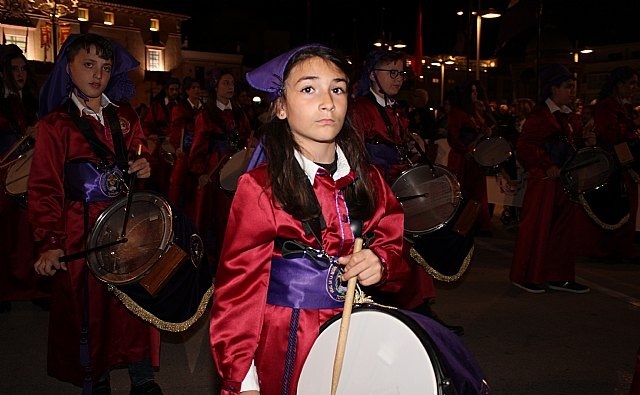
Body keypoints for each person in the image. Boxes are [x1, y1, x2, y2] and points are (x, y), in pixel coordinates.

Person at [209, 43, 487, 395]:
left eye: (337, 88)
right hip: (289, 339)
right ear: (280, 107)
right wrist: (243, 379)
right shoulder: (260, 187)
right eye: (309, 89)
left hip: (360, 331)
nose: (327, 101)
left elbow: (395, 249)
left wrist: (381, 263)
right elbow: (236, 293)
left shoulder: (367, 178)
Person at [28, 33, 163, 395]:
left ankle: (142, 378)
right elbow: (44, 188)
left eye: (105, 68)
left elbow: (141, 160)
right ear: (68, 69)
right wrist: (50, 242)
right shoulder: (56, 124)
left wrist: (145, 167)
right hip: (80, 228)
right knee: (91, 308)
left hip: (126, 223)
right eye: (88, 65)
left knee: (134, 301)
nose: (97, 75)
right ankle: (97, 377)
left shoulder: (124, 116)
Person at [348, 49, 464, 335]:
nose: (398, 79)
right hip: (376, 191)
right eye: (392, 72)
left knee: (414, 250)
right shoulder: (359, 109)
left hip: (398, 188)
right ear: (373, 75)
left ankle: (417, 311)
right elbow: (354, 155)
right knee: (394, 252)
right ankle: (407, 314)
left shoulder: (395, 109)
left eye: (401, 73)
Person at [510, 63, 590, 294]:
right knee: (537, 228)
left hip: (565, 182)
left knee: (563, 231)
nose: (572, 91)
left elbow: (572, 147)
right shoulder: (539, 116)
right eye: (568, 86)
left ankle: (559, 276)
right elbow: (524, 146)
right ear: (553, 89)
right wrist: (547, 165)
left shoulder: (570, 117)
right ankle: (527, 275)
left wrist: (587, 141)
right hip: (544, 181)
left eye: (573, 86)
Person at [0, 43, 50, 312]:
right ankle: (4, 290)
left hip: (30, 173)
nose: (20, 73)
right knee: (6, 234)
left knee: (32, 230)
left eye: (23, 68)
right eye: (14, 69)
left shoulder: (31, 100)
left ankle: (35, 286)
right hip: (4, 176)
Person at [190, 68, 252, 265]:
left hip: (237, 166)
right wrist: (200, 170)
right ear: (215, 87)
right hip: (215, 168)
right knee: (216, 215)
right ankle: (215, 259)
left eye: (232, 83)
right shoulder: (206, 114)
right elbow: (198, 145)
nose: (230, 87)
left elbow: (247, 136)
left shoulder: (239, 113)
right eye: (225, 83)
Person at [579, 66, 640, 262]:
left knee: (628, 206)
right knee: (614, 207)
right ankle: (609, 249)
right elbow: (612, 134)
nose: (635, 88)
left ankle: (621, 247)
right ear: (618, 85)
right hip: (612, 164)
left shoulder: (625, 107)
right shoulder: (606, 106)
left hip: (625, 163)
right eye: (631, 84)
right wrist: (632, 131)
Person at [447, 80, 497, 236]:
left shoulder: (474, 112)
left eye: (476, 91)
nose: (476, 94)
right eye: (472, 91)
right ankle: (461, 224)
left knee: (477, 192)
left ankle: (477, 223)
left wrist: (487, 131)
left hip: (475, 159)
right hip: (462, 158)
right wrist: (464, 150)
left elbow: (481, 130)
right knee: (462, 191)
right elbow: (453, 137)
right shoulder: (458, 113)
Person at [166, 76, 203, 219]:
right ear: (187, 91)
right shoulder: (180, 108)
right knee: (178, 183)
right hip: (185, 150)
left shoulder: (204, 108)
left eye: (198, 88)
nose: (196, 90)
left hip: (199, 151)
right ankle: (174, 215)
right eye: (193, 88)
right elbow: (175, 130)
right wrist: (176, 147)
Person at [141, 76, 181, 195]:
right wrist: (150, 135)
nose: (174, 92)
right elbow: (147, 124)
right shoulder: (157, 106)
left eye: (176, 89)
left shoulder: (181, 105)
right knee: (160, 175)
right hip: (161, 144)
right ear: (167, 90)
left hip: (177, 145)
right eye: (172, 89)